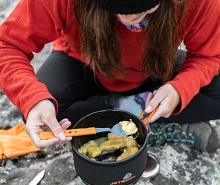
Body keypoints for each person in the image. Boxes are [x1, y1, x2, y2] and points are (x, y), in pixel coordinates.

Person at [0, 0, 219, 152]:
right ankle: (139, 120)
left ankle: (119, 114)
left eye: (144, 7)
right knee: (39, 111)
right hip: (83, 63)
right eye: (116, 7)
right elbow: (7, 44)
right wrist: (34, 99)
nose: (130, 18)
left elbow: (209, 57)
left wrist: (180, 89)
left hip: (154, 66)